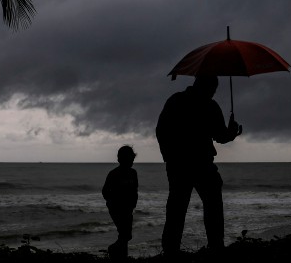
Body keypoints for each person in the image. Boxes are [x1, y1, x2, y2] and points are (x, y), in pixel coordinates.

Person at [155, 74, 242, 255]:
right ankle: (214, 246)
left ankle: (172, 250)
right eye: (212, 89)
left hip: (184, 164)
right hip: (197, 163)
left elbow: (161, 130)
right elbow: (221, 136)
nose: (213, 93)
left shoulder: (177, 101)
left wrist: (169, 157)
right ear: (206, 87)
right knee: (209, 206)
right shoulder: (208, 105)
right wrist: (231, 132)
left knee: (179, 209)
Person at [102, 144, 139, 261]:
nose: (131, 161)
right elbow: (105, 191)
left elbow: (135, 190)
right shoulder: (114, 174)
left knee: (125, 234)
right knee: (125, 234)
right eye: (129, 159)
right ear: (120, 159)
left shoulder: (133, 173)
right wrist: (112, 203)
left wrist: (133, 204)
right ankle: (114, 250)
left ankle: (122, 256)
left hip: (128, 208)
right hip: (116, 208)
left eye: (132, 159)